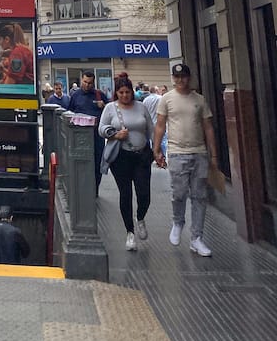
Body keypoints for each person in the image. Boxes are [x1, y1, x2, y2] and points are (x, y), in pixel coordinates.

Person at [153, 62, 218, 257]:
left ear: (189, 78)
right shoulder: (166, 99)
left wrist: (214, 154)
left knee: (200, 196)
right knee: (179, 193)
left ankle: (197, 238)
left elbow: (208, 127)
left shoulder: (199, 99)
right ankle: (178, 221)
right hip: (177, 152)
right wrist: (156, 149)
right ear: (173, 78)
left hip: (199, 152)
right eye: (177, 77)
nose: (180, 80)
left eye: (183, 76)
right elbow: (160, 125)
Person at [99, 74, 154, 251]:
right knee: (126, 193)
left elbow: (151, 129)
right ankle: (130, 232)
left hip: (142, 155)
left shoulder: (141, 107)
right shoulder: (110, 108)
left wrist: (157, 150)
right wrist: (115, 134)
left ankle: (140, 217)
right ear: (116, 93)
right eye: (121, 92)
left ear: (132, 92)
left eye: (127, 92)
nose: (124, 95)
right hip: (121, 157)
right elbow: (101, 128)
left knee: (144, 193)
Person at [65, 69, 109, 194]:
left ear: (93, 83)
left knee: (97, 164)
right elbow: (69, 113)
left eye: (90, 83)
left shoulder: (99, 95)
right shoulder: (75, 96)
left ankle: (95, 191)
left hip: (97, 137)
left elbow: (111, 112)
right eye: (85, 82)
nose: (87, 85)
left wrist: (104, 106)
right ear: (81, 80)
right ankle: (82, 191)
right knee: (81, 164)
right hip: (80, 137)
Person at [0, 22, 34, 87]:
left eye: (0, 39)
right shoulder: (22, 50)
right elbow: (18, 74)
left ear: (7, 39)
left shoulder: (17, 52)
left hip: (23, 89)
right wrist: (4, 70)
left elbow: (11, 81)